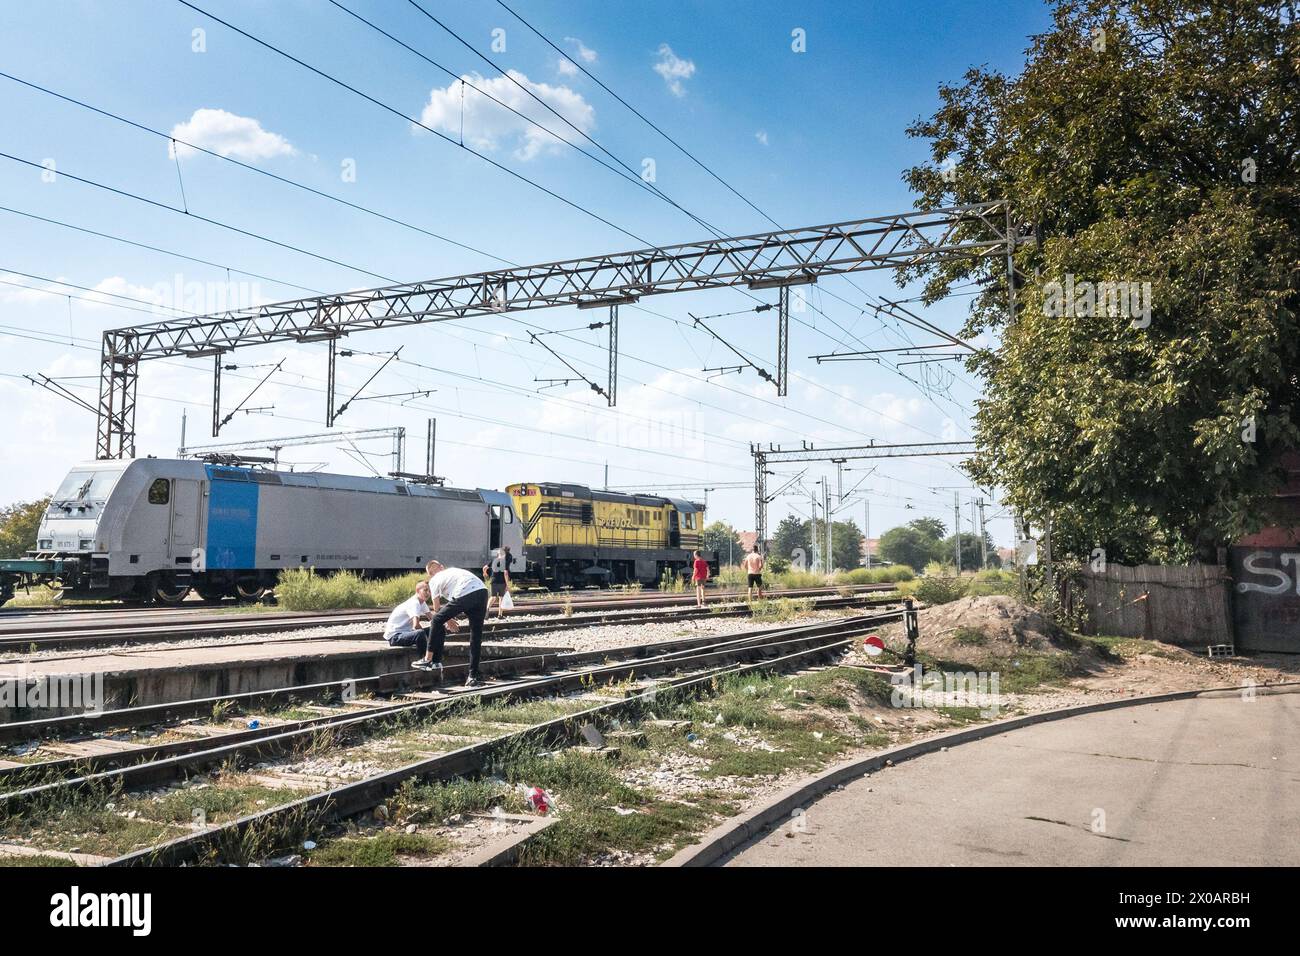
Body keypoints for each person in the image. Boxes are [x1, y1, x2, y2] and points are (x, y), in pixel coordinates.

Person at [414, 559, 489, 686]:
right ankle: (472, 676)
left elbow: (437, 609)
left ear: (430, 574)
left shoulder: (434, 580)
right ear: (441, 567)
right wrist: (449, 619)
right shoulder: (453, 572)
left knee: (436, 620)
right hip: (482, 591)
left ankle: (428, 659)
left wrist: (447, 620)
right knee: (476, 636)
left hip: (466, 591)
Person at [383, 581, 433, 666]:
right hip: (395, 637)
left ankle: (436, 656)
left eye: (430, 591)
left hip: (406, 633)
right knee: (420, 633)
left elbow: (432, 619)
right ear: (417, 591)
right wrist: (427, 640)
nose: (428, 593)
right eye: (425, 590)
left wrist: (444, 624)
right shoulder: (414, 603)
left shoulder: (422, 602)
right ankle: (426, 660)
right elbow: (416, 625)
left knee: (436, 629)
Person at [482, 545, 513, 620]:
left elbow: (485, 567)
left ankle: (486, 609)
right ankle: (500, 615)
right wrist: (507, 584)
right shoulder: (505, 562)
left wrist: (485, 573)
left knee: (493, 597)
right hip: (502, 582)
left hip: (494, 581)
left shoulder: (494, 560)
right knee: (501, 598)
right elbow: (505, 573)